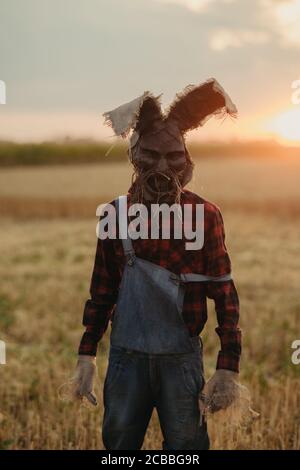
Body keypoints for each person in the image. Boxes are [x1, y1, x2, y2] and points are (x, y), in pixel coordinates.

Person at [73, 78, 242, 450]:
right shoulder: (114, 215)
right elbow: (101, 293)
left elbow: (224, 292)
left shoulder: (206, 215)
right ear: (135, 156)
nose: (163, 167)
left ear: (187, 159)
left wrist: (227, 368)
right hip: (125, 361)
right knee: (119, 447)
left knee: (187, 449)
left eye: (174, 157)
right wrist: (87, 357)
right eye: (152, 155)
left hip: (181, 363)